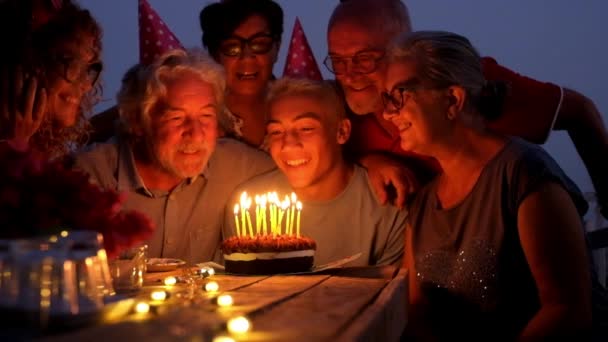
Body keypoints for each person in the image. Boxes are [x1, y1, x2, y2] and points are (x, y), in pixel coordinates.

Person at [382, 30, 606, 339]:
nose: (387, 112)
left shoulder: (524, 176)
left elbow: (567, 310)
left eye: (400, 95)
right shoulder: (423, 205)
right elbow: (418, 309)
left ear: (453, 99)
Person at [326, 0, 608, 216]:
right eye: (337, 60)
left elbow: (579, 111)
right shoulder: (337, 110)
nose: (348, 75)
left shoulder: (473, 86)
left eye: (364, 58)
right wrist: (369, 160)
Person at [73, 49, 275, 264]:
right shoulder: (86, 179)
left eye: (206, 116)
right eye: (177, 118)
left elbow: (303, 175)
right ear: (138, 122)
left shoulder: (234, 163)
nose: (196, 134)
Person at [223, 77, 406, 266]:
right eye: (276, 132)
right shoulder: (247, 209)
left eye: (306, 128)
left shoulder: (387, 207)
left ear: (341, 131)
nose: (288, 143)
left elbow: (391, 292)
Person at [0, 0, 103, 158]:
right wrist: (14, 143)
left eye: (88, 69)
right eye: (73, 62)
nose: (87, 85)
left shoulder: (47, 158)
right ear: (31, 61)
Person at [199, 0, 283, 148]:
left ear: (277, 47)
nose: (246, 57)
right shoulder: (199, 123)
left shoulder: (304, 109)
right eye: (232, 47)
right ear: (214, 54)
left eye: (259, 43)